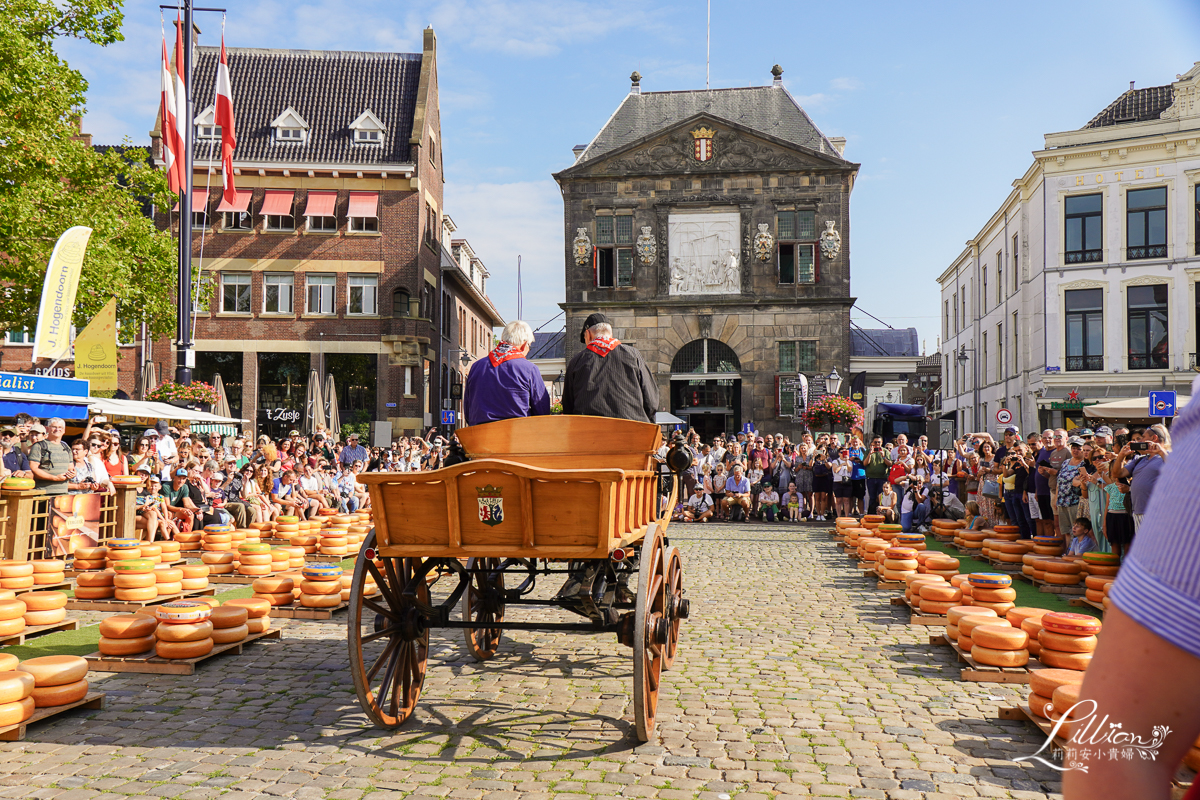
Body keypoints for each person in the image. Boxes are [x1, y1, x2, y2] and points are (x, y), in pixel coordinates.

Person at [561, 313, 658, 422]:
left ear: (588, 334)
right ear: (610, 333)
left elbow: (568, 406)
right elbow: (651, 400)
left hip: (590, 433)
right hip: (632, 431)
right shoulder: (633, 355)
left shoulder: (576, 361)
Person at [1113, 422, 1170, 532]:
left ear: (1154, 438)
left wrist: (1161, 451)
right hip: (1138, 512)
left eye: (1143, 437)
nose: (1139, 441)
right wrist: (1120, 456)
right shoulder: (1139, 459)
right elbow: (1117, 474)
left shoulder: (1167, 455)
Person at [28, 418, 73, 495]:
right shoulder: (39, 446)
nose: (57, 429)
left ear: (64, 430)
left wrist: (72, 473)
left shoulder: (66, 446)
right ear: (47, 429)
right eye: (54, 427)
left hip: (63, 493)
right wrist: (55, 478)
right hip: (44, 493)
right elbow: (33, 468)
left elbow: (71, 468)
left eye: (60, 427)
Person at [1056, 437, 1086, 539]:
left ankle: (1076, 553)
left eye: (1078, 448)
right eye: (1073, 448)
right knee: (1066, 531)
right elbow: (1059, 482)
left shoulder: (1084, 464)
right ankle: (1068, 553)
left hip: (1075, 502)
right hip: (1062, 501)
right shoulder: (1065, 462)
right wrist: (1056, 499)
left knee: (1076, 531)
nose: (1075, 450)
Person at [863, 437, 891, 515]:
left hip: (882, 478)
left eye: (878, 442)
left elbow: (890, 464)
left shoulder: (885, 451)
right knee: (872, 497)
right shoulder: (868, 451)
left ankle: (882, 514)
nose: (877, 444)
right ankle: (871, 514)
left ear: (881, 442)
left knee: (881, 497)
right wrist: (870, 454)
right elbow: (865, 463)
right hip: (871, 478)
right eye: (875, 442)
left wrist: (883, 457)